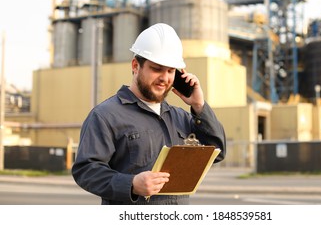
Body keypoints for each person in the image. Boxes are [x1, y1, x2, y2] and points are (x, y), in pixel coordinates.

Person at [72, 23, 226, 205]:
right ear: (136, 66)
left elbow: (218, 152)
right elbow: (86, 170)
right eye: (156, 69)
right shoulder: (106, 115)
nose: (165, 78)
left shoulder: (180, 117)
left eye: (170, 71)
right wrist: (131, 184)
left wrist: (199, 106)